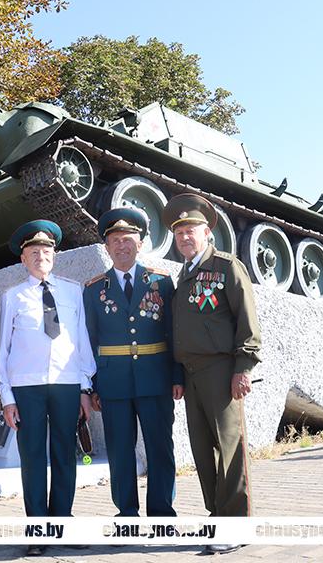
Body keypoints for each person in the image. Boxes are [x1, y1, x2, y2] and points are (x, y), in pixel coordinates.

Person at [162, 193, 262, 555]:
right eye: (180, 232)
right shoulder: (183, 274)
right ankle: (217, 515)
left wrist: (243, 368)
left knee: (230, 448)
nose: (186, 237)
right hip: (191, 375)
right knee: (205, 452)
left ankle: (237, 523)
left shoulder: (226, 267)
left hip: (221, 371)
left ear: (207, 233)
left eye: (192, 230)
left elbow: (247, 323)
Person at [0, 220, 96, 557]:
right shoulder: (13, 296)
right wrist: (7, 396)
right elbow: (3, 351)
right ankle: (37, 530)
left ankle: (62, 524)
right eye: (33, 251)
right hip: (27, 388)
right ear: (23, 259)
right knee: (33, 459)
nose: (41, 255)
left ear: (55, 255)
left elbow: (82, 341)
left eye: (46, 250)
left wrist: (85, 387)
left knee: (65, 457)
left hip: (67, 385)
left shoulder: (73, 291)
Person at [82, 207, 184, 517]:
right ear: (107, 247)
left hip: (156, 379)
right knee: (120, 451)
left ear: (140, 244)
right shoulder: (94, 289)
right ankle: (126, 512)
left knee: (160, 447)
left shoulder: (162, 282)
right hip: (113, 385)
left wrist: (177, 376)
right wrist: (93, 386)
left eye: (128, 240)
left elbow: (174, 332)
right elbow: (90, 341)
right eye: (115, 241)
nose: (122, 246)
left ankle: (162, 511)